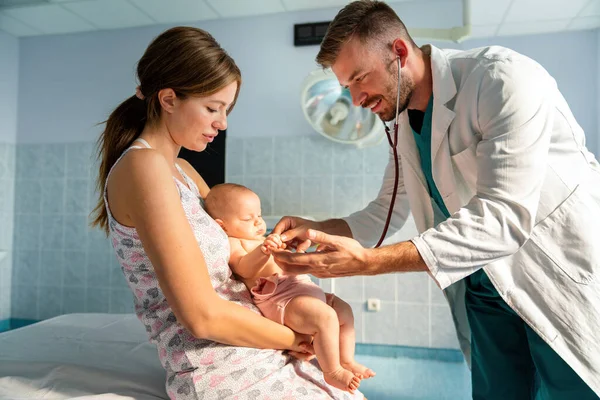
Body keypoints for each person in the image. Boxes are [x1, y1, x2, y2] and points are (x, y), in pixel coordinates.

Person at [271, 1, 600, 399]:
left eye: (360, 79)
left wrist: (369, 264)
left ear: (399, 52)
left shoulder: (502, 79)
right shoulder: (405, 123)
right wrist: (315, 229)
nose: (356, 99)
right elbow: (381, 214)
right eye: (348, 87)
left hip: (552, 276)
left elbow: (503, 218)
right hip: (484, 292)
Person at [91, 26, 364, 400]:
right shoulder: (145, 168)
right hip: (222, 365)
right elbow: (201, 317)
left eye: (226, 109)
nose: (223, 123)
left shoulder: (183, 173)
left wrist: (281, 251)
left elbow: (235, 244)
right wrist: (297, 337)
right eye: (212, 108)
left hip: (258, 343)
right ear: (169, 99)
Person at [204, 183, 374, 393]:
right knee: (326, 318)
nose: (258, 222)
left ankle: (346, 360)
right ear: (222, 226)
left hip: (301, 288)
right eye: (248, 219)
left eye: (259, 215)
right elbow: (244, 268)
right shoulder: (235, 242)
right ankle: (332, 372)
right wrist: (264, 251)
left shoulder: (259, 237)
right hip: (282, 299)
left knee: (344, 310)